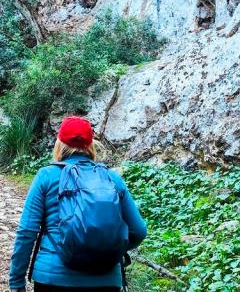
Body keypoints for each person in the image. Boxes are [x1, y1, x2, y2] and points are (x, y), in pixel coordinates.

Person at [8, 117, 147, 292]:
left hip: (53, 276)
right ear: (91, 145)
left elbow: (27, 231)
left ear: (59, 144)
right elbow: (139, 231)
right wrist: (105, 247)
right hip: (106, 280)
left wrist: (16, 281)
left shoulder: (46, 176)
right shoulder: (112, 179)